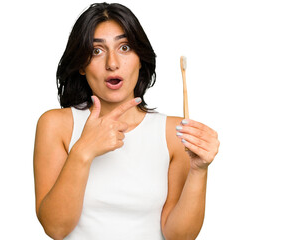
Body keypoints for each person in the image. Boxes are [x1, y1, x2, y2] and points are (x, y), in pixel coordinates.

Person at [33, 2, 219, 240]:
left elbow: (179, 236)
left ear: (141, 59)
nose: (112, 63)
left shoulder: (175, 131)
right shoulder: (55, 125)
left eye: (125, 47)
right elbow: (56, 228)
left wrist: (199, 170)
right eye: (96, 51)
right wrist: (83, 150)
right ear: (81, 64)